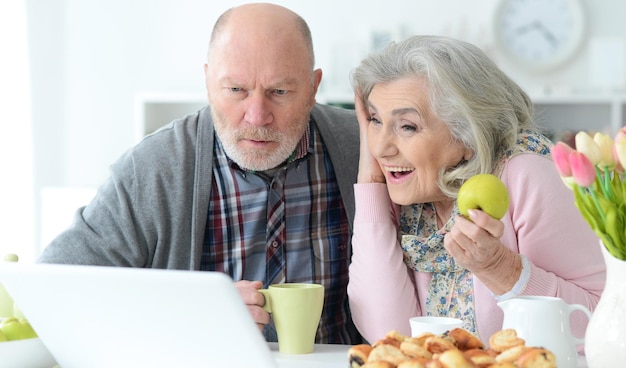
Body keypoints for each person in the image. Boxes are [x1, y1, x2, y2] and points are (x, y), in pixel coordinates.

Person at [38, 3, 362, 345]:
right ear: (208, 81)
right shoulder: (153, 169)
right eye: (236, 90)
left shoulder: (364, 149)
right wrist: (189, 312)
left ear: (313, 87)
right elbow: (53, 288)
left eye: (279, 92)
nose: (257, 116)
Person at [347, 35, 605, 344]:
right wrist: (369, 182)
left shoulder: (525, 173)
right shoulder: (410, 186)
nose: (381, 148)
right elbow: (389, 336)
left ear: (468, 134)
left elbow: (602, 321)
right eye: (375, 121)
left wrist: (497, 267)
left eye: (407, 126)